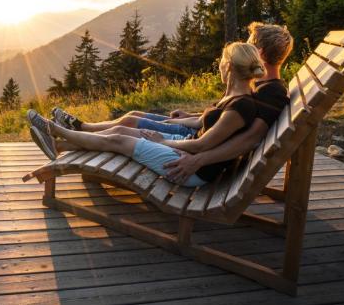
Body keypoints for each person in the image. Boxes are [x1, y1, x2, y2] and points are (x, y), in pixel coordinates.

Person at [50, 22, 294, 184]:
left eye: (250, 44)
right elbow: (222, 121)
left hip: (198, 159)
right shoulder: (252, 89)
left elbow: (247, 138)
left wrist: (196, 157)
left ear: (258, 53)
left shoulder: (266, 93)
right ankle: (68, 139)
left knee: (122, 134)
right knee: (125, 127)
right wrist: (191, 119)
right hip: (194, 144)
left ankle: (61, 135)